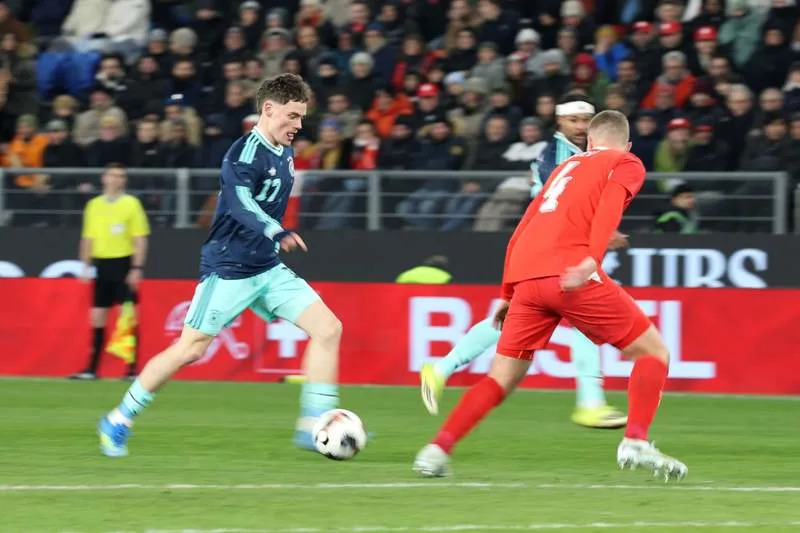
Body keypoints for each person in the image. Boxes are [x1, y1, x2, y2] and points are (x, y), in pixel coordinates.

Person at [413, 111, 688, 482]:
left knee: (500, 378)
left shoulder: (566, 166)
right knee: (653, 351)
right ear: (626, 144)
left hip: (527, 280)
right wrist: (593, 259)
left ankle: (436, 450)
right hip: (569, 274)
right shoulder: (626, 161)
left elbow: (525, 223)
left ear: (589, 141)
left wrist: (507, 293)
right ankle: (636, 440)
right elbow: (609, 206)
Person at [96, 74, 344, 457]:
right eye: (293, 116)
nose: (298, 126)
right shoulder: (243, 154)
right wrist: (276, 231)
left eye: (301, 118)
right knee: (189, 349)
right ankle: (118, 419)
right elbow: (241, 204)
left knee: (328, 328)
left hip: (266, 267)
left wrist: (273, 240)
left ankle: (315, 425)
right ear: (268, 109)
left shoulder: (285, 148)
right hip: (229, 268)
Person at [419, 93, 628, 430]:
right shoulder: (559, 157)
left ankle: (441, 368)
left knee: (512, 319)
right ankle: (591, 401)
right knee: (586, 318)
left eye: (585, 120)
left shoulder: (580, 154)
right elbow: (562, 208)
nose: (579, 126)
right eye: (573, 120)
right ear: (558, 121)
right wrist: (602, 233)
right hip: (554, 248)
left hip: (545, 248)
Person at [70, 164, 149, 380]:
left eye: (121, 176)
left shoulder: (131, 204)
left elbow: (140, 239)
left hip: (123, 264)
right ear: (104, 178)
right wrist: (85, 266)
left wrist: (136, 268)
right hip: (102, 265)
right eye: (113, 175)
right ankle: (92, 369)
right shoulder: (94, 205)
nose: (117, 179)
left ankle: (131, 369)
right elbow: (87, 238)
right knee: (97, 317)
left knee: (128, 317)